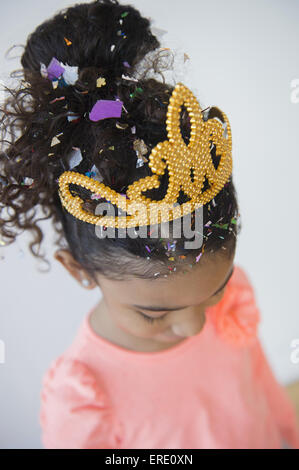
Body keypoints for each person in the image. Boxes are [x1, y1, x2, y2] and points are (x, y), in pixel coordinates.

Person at [1, 0, 298, 450]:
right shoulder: (85, 396)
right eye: (153, 315)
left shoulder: (222, 299)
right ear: (77, 270)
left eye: (215, 292)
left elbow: (265, 396)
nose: (197, 325)